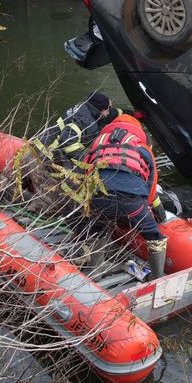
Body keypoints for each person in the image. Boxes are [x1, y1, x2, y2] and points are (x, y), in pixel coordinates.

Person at [83, 114, 168, 280]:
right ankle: (156, 278)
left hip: (98, 198)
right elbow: (150, 190)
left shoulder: (98, 144)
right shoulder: (143, 148)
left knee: (98, 227)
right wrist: (157, 213)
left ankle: (96, 271)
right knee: (153, 235)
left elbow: (87, 174)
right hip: (132, 202)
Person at [31, 91, 135, 167]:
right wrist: (83, 160)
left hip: (47, 141)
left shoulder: (89, 108)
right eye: (107, 109)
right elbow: (67, 141)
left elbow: (111, 113)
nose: (108, 112)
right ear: (100, 110)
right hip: (48, 151)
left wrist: (132, 114)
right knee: (76, 173)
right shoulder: (84, 120)